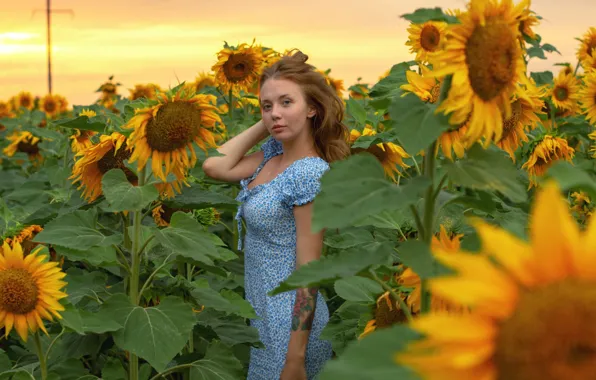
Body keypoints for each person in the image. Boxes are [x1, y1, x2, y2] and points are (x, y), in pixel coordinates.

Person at [202, 50, 350, 380]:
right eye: (266, 106)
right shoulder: (271, 158)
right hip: (263, 322)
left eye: (287, 103)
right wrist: (272, 120)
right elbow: (214, 165)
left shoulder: (309, 174)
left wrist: (295, 360)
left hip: (291, 329)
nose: (274, 114)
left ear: (312, 108)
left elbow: (308, 272)